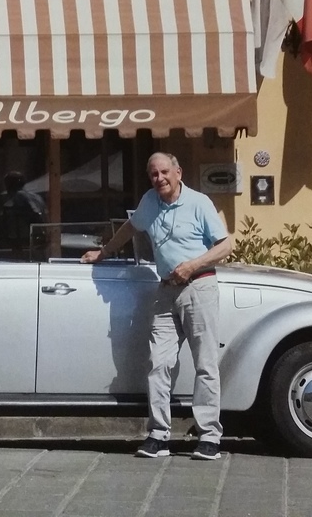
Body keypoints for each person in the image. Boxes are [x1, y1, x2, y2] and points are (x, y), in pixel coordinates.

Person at [81, 152, 232, 461]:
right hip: (166, 290)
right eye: (153, 174)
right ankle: (159, 435)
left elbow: (226, 245)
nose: (159, 178)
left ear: (178, 173)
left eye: (164, 172)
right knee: (158, 362)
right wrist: (104, 253)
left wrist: (192, 265)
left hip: (199, 286)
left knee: (205, 364)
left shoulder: (199, 203)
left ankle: (209, 437)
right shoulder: (150, 201)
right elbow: (130, 227)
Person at [0, 171, 47, 252]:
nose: (5, 186)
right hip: (35, 240)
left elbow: (36, 213)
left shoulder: (20, 196)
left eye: (6, 183)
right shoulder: (36, 196)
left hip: (25, 242)